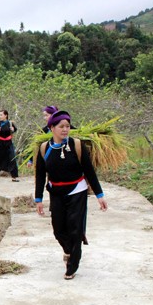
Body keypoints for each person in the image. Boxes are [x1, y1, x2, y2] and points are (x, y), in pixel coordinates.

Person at [35, 110, 108, 280]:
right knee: (58, 229)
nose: (65, 129)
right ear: (52, 127)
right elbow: (40, 175)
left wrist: (99, 195)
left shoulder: (77, 145)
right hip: (56, 192)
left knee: (75, 228)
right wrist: (38, 198)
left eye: (67, 126)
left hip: (77, 190)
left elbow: (89, 171)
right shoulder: (44, 148)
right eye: (61, 126)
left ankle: (72, 266)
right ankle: (68, 250)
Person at [0, 110, 19, 182]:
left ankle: (14, 177)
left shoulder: (10, 123)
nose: (0, 116)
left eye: (1, 115)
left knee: (12, 158)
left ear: (6, 115)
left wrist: (13, 129)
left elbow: (15, 129)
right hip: (1, 143)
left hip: (9, 143)